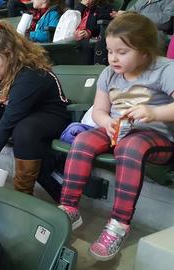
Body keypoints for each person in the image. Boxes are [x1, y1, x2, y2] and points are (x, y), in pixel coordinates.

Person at [58, 12, 174, 261]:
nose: (113, 58)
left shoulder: (165, 70)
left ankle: (118, 225)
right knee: (83, 141)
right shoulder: (109, 74)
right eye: (110, 51)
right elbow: (100, 110)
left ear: (145, 51)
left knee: (130, 147)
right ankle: (69, 207)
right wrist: (107, 122)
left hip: (157, 138)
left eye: (122, 52)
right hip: (119, 132)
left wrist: (153, 112)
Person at [0, 20, 70, 198]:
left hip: (51, 117)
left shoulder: (30, 75)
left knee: (24, 129)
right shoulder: (3, 70)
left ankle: (22, 196)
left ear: (8, 54)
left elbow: (8, 122)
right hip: (24, 115)